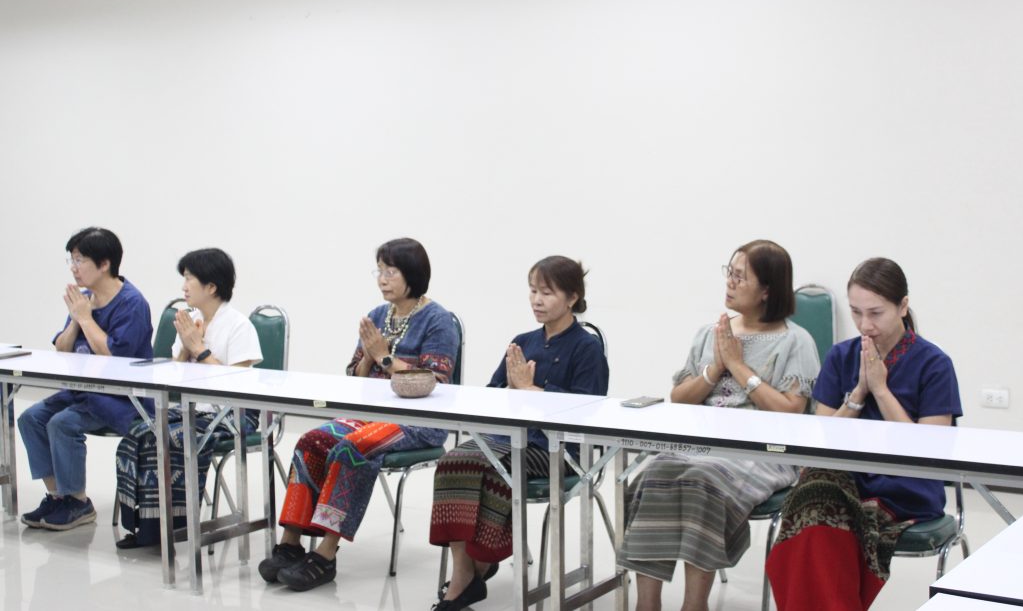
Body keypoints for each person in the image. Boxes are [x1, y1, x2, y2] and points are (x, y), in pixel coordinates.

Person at [618, 240, 819, 611]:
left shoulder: (796, 341)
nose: (730, 282)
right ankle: (647, 605)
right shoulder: (709, 334)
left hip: (762, 451)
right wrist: (715, 368)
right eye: (730, 272)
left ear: (766, 290)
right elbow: (679, 398)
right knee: (652, 476)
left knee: (703, 481)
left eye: (740, 277)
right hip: (701, 444)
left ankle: (695, 605)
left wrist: (738, 366)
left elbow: (791, 411)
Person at [258, 237, 459, 591]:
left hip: (418, 422)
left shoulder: (438, 320)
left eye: (391, 272)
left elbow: (435, 383)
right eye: (379, 271)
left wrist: (384, 357)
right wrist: (368, 357)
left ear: (412, 274)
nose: (382, 279)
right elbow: (354, 377)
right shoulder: (378, 315)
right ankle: (291, 543)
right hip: (369, 414)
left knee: (353, 447)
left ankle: (326, 554)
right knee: (311, 440)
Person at [765, 258, 962, 611]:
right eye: (856, 313)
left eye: (875, 313)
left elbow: (929, 452)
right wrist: (857, 393)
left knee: (826, 516)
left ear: (903, 306)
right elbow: (822, 440)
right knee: (814, 506)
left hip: (905, 486)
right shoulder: (841, 356)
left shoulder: (934, 364)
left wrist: (881, 390)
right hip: (845, 476)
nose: (864, 325)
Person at [429, 256, 610, 611]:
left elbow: (587, 412)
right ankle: (465, 572)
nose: (537, 300)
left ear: (572, 298)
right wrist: (510, 391)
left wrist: (532, 391)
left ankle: (476, 570)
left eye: (547, 292)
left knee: (493, 469)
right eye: (532, 291)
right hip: (508, 439)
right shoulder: (522, 341)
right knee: (453, 461)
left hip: (560, 450)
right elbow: (492, 393)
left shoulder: (587, 347)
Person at [114, 248, 263, 548]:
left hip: (233, 413)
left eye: (189, 279)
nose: (183, 287)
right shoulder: (190, 320)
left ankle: (174, 526)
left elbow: (237, 385)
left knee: (173, 438)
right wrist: (185, 346)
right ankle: (145, 525)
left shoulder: (239, 326)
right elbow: (176, 375)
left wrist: (199, 349)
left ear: (211, 287)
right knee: (139, 434)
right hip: (193, 407)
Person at [18, 227, 153, 531]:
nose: (73, 268)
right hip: (83, 392)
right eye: (72, 260)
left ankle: (78, 502)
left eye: (80, 260)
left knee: (62, 423)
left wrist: (85, 318)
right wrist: (76, 320)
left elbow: (114, 358)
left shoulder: (132, 303)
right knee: (30, 418)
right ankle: (58, 497)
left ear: (104, 264)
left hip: (121, 398)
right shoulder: (85, 300)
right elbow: (63, 349)